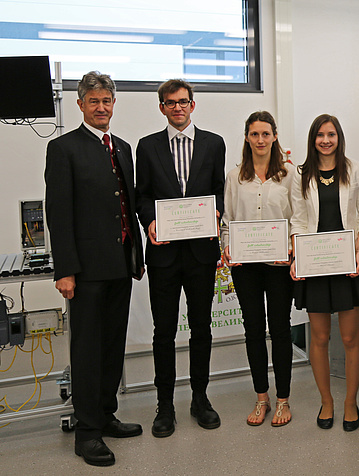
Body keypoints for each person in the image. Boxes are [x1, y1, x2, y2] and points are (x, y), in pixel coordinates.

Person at [44, 71, 144, 467]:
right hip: (85, 270)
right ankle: (86, 432)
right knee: (86, 350)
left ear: (114, 104)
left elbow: (129, 204)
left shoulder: (121, 147)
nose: (101, 107)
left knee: (112, 346)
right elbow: (59, 214)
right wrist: (64, 269)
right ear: (81, 104)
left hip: (120, 265)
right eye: (94, 101)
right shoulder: (63, 148)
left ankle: (105, 415)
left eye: (107, 101)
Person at [135, 79, 226, 437]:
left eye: (183, 102)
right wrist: (150, 222)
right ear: (162, 107)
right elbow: (142, 196)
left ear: (193, 104)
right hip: (164, 255)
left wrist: (216, 214)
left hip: (201, 253)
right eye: (170, 103)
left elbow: (218, 190)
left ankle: (200, 398)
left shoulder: (213, 143)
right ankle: (165, 405)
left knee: (201, 328)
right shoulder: (147, 147)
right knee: (164, 332)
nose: (178, 108)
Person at [289, 114, 359, 432]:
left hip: (348, 263)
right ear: (313, 140)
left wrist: (358, 252)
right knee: (320, 337)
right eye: (320, 135)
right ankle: (327, 401)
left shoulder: (355, 170)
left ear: (339, 137)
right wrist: (297, 255)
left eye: (331, 134)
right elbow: (298, 221)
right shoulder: (300, 174)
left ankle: (350, 402)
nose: (326, 140)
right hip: (315, 266)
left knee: (351, 337)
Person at [220, 111, 297, 427]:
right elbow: (227, 220)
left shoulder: (290, 175)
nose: (261, 140)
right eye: (255, 134)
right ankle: (261, 398)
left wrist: (292, 245)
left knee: (280, 329)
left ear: (275, 136)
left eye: (266, 134)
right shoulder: (235, 177)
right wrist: (227, 245)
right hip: (246, 267)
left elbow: (299, 218)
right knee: (253, 329)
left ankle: (283, 401)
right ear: (247, 137)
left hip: (280, 265)